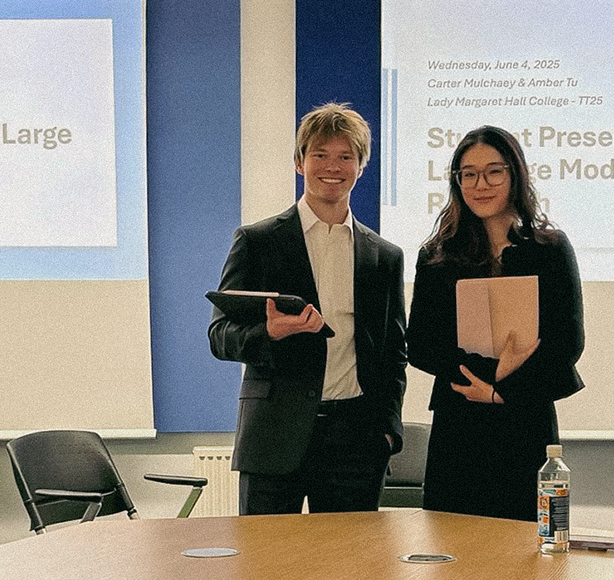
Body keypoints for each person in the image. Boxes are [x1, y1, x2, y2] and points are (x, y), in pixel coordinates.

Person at [208, 103, 407, 515]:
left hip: (357, 442)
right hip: (273, 437)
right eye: (320, 154)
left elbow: (393, 353)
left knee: (349, 570)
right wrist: (270, 334)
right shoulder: (258, 241)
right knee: (266, 567)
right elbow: (219, 336)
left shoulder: (384, 256)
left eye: (345, 156)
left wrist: (386, 431)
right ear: (300, 162)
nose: (332, 167)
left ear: (361, 166)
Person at [407, 125, 585, 522]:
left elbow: (567, 341)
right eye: (467, 174)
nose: (480, 184)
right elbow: (420, 343)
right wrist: (488, 378)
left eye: (493, 172)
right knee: (452, 547)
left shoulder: (549, 249)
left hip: (525, 420)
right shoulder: (437, 255)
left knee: (527, 549)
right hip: (459, 421)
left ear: (514, 175)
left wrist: (502, 389)